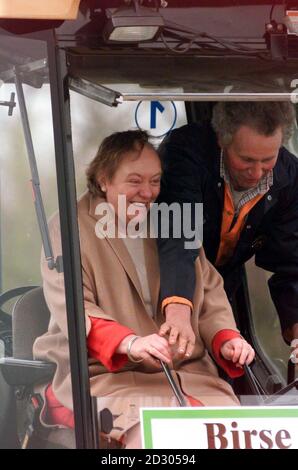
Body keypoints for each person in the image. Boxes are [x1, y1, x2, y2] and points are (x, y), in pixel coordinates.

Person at [33, 130, 254, 449]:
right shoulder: (66, 228)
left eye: (155, 181)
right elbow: (74, 307)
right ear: (104, 179)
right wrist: (129, 342)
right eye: (135, 181)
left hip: (189, 374)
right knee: (159, 441)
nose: (148, 193)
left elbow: (207, 294)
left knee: (241, 438)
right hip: (107, 376)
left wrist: (227, 338)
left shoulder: (172, 223)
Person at [157, 101, 298, 359]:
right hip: (164, 288)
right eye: (246, 160)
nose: (257, 173)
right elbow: (178, 234)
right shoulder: (185, 153)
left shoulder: (290, 177)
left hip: (221, 297)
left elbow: (292, 262)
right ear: (221, 139)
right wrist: (177, 311)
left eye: (268, 160)